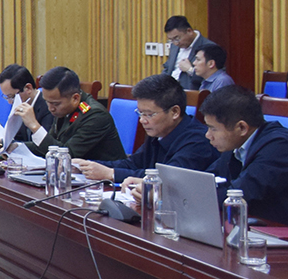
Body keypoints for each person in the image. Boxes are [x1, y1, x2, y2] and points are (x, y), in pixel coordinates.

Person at [73, 74, 215, 185]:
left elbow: (169, 179)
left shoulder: (198, 140)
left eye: (149, 114)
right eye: (140, 113)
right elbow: (133, 164)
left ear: (175, 112)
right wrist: (86, 166)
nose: (142, 120)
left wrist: (111, 174)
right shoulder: (159, 131)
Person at [200, 86, 288, 224]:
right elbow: (206, 181)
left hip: (276, 231)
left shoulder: (279, 147)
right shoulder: (235, 143)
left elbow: (238, 196)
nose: (208, 135)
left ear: (241, 128)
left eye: (213, 129)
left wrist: (198, 195)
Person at [22, 66, 126, 161]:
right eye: (47, 102)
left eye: (55, 103)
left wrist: (35, 127)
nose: (50, 108)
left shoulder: (95, 115)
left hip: (103, 173)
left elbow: (67, 155)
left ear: (75, 98)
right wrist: (17, 146)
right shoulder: (63, 108)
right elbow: (51, 145)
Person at [0, 64, 52, 149]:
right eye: (7, 97)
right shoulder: (19, 103)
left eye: (12, 96)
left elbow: (44, 146)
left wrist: (0, 143)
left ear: (28, 88)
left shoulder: (48, 106)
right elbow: (17, 138)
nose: (9, 102)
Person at [162, 15, 209, 91]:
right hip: (168, 92)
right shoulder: (174, 46)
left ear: (189, 31)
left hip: (190, 93)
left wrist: (190, 70)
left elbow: (212, 77)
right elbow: (168, 68)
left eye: (177, 38)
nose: (175, 43)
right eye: (171, 40)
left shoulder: (208, 47)